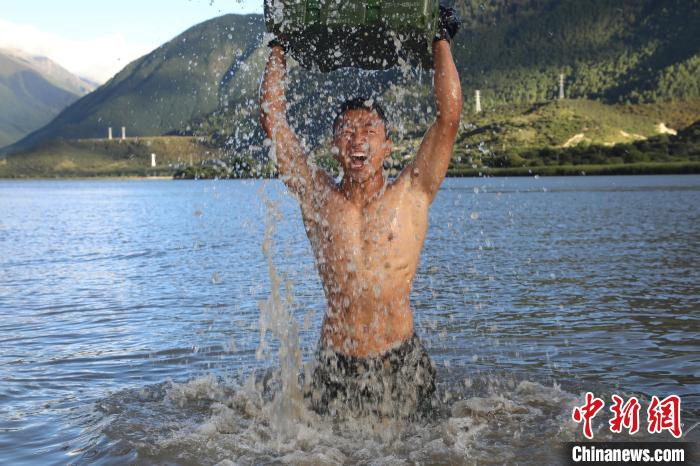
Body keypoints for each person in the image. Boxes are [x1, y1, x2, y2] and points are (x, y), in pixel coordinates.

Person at [259, 6, 462, 419]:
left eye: (370, 131)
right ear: (335, 146)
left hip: (400, 359)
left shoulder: (412, 192)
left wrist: (441, 38)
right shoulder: (317, 196)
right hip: (336, 362)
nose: (358, 140)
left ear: (387, 146)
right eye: (348, 132)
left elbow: (449, 117)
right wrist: (279, 44)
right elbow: (272, 120)